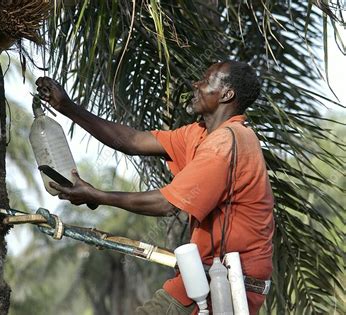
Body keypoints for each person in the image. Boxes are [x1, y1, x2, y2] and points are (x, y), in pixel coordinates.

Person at [36, 60, 274, 315]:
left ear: (227, 94)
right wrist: (66, 106)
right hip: (206, 280)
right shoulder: (200, 135)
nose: (196, 84)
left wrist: (97, 196)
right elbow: (132, 141)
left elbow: (166, 204)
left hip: (225, 286)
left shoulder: (227, 143)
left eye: (206, 80)